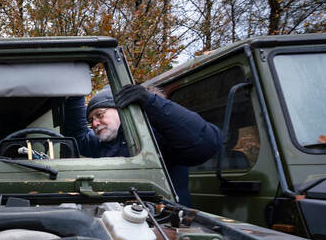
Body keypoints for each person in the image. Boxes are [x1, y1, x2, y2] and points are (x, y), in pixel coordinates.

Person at [64, 84, 221, 206]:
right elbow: (78, 137)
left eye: (99, 115)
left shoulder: (156, 135)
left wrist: (151, 102)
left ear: (121, 110)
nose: (95, 124)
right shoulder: (104, 142)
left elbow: (205, 144)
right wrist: (75, 92)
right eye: (91, 120)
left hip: (164, 220)